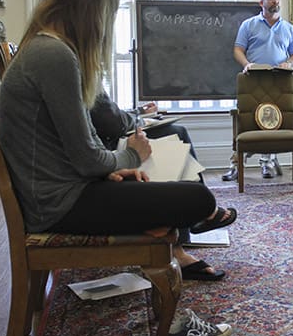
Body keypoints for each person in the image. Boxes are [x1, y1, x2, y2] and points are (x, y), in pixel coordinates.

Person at [0, 0, 241, 336]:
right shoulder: (55, 56)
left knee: (164, 194)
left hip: (59, 196)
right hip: (62, 207)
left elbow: (77, 154)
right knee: (200, 200)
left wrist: (117, 169)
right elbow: (89, 158)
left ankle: (175, 319)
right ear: (93, 8)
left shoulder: (42, 48)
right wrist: (131, 154)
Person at [90, 91, 227, 281]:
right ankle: (191, 221)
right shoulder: (76, 69)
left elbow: (107, 115)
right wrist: (138, 118)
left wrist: (137, 112)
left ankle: (187, 228)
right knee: (175, 134)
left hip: (106, 142)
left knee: (178, 132)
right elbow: (112, 121)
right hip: (107, 148)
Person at [222, 0, 293, 181]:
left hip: (279, 81)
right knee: (246, 121)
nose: (275, 1)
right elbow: (238, 50)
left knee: (273, 121)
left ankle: (266, 163)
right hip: (253, 81)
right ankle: (236, 165)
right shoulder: (248, 25)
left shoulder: (289, 28)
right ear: (261, 3)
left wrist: (288, 62)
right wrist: (247, 64)